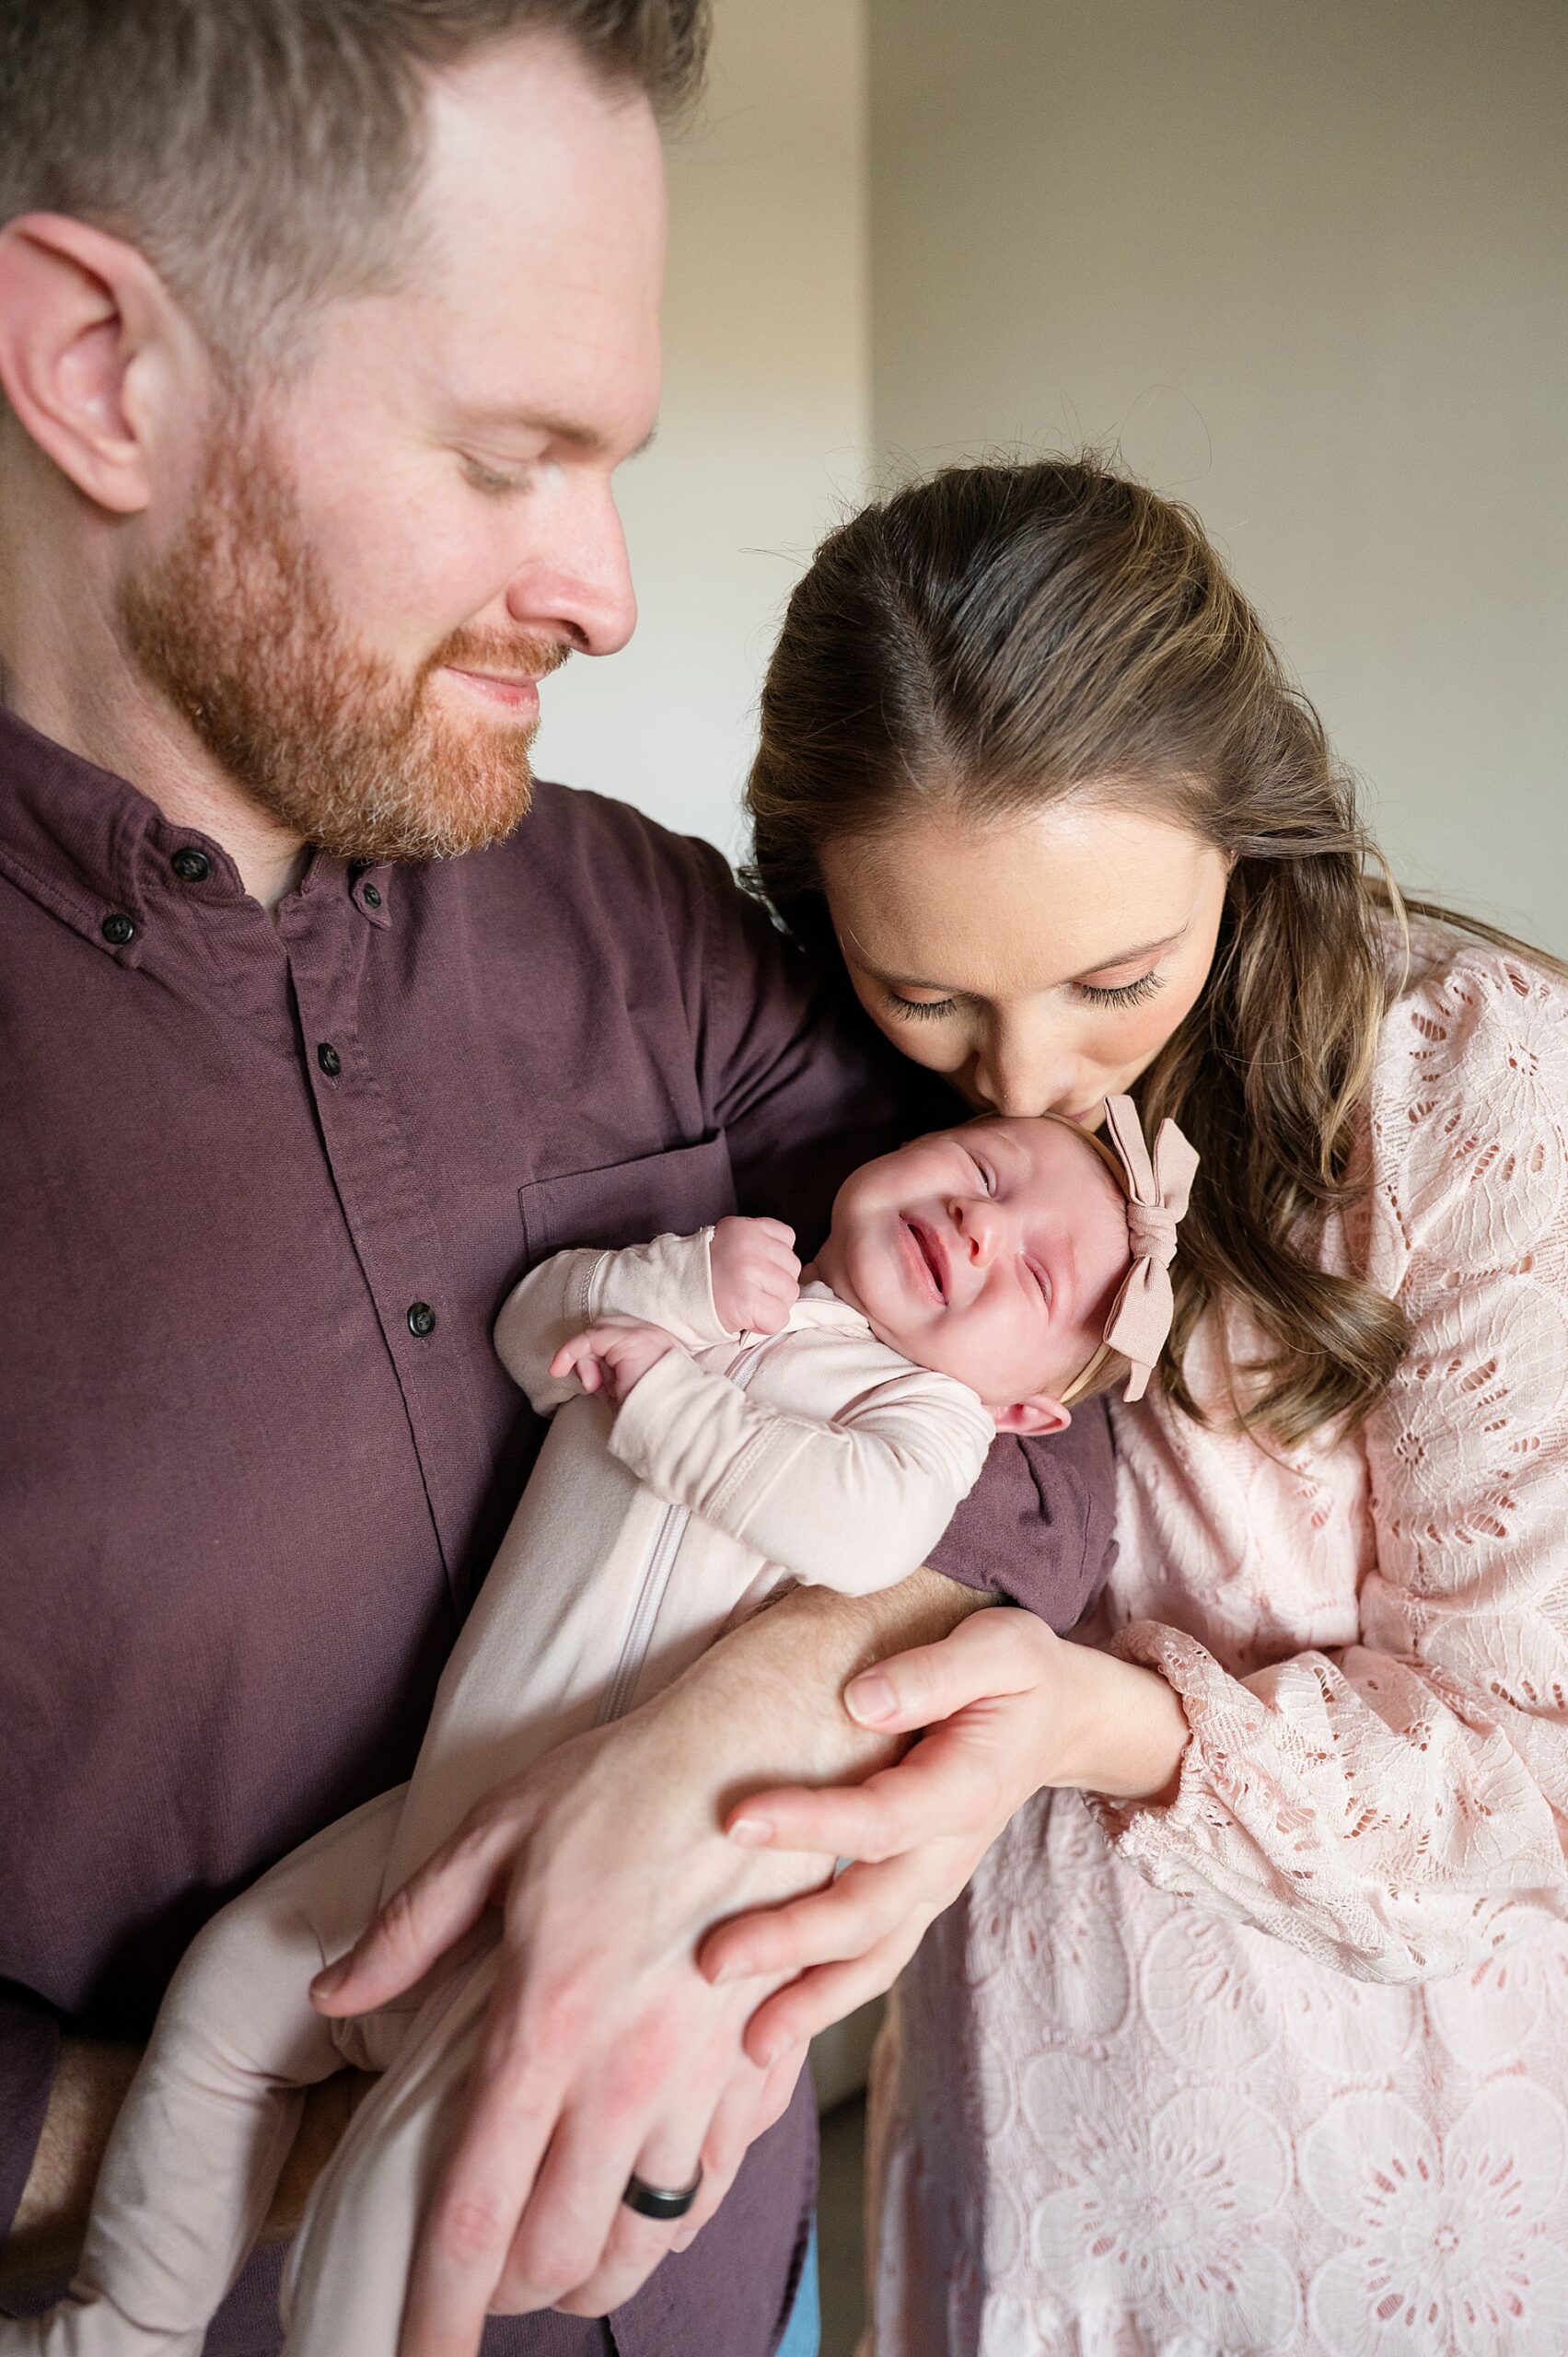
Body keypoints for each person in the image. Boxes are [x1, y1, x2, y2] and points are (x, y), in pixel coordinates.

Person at [0, 17, 1123, 2357]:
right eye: (515, 457)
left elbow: (1057, 1418)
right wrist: (359, 2089)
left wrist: (735, 1732)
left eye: (610, 463)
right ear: (99, 365)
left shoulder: (645, 919)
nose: (608, 594)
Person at [698, 456, 1568, 2355]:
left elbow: (1538, 1766)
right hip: (1003, 2164)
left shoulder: (1464, 1093)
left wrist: (1089, 1717)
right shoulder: (823, 1093)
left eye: (1115, 979)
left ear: (1244, 837)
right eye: (929, 989)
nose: (1018, 1071)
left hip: (1379, 2186)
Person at [12, 1101, 1186, 2357]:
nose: (984, 1223)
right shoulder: (738, 1277)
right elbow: (534, 1336)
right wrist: (678, 1282)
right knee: (228, 1996)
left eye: (1039, 1272)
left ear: (1027, 1420)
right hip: (441, 1812)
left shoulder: (930, 1426)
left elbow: (858, 1532)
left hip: (587, 1900)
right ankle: (121, 2327)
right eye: (984, 1168)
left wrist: (666, 1394)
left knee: (394, 2203)